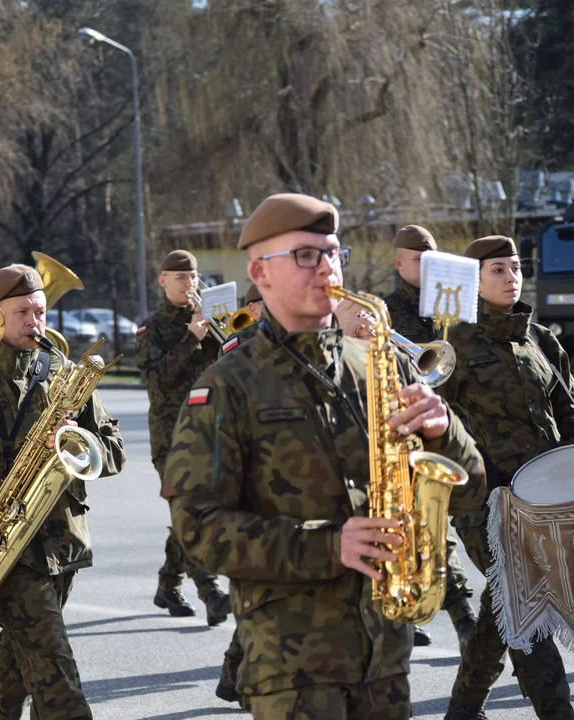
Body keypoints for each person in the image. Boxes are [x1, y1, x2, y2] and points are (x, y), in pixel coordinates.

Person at [163, 193, 487, 719]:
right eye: (306, 255)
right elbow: (198, 529)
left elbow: (469, 490)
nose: (327, 268)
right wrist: (329, 545)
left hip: (386, 660)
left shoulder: (381, 366)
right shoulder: (226, 386)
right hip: (293, 671)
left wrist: (445, 430)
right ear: (259, 273)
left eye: (334, 253)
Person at [0, 264, 125, 720]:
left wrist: (79, 443)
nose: (35, 322)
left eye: (41, 311)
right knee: (54, 670)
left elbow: (114, 451)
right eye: (23, 313)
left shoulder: (66, 374)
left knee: (18, 667)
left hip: (60, 543)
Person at [438, 235, 574, 720]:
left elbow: (568, 417)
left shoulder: (542, 340)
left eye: (515, 267)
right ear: (472, 281)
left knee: (504, 606)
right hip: (485, 501)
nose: (511, 276)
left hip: (546, 498)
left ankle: (463, 707)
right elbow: (439, 427)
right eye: (497, 269)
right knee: (525, 596)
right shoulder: (453, 344)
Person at [376, 225, 478, 651]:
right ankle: (458, 616)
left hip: (449, 427)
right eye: (419, 261)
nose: (427, 268)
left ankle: (460, 616)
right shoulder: (385, 310)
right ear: (400, 263)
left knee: (438, 529)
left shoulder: (450, 308)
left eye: (433, 261)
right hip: (402, 428)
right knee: (412, 527)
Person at [135, 250, 230, 624]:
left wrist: (219, 335)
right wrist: (191, 338)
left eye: (192, 278)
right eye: (180, 279)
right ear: (162, 281)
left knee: (189, 513)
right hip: (170, 435)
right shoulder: (151, 327)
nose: (189, 285)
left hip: (210, 430)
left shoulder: (208, 321)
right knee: (187, 510)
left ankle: (167, 585)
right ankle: (211, 591)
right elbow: (157, 381)